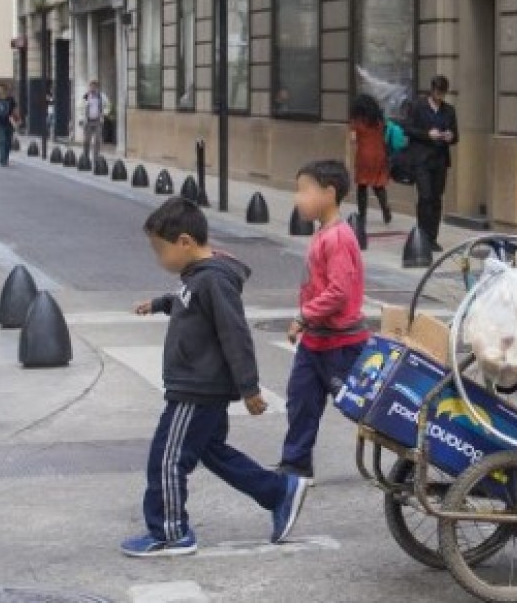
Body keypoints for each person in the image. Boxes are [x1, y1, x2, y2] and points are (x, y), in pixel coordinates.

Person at [126, 198, 308, 557]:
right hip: (197, 385)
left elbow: (234, 333)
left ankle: (170, 532)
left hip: (196, 388)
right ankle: (277, 492)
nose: (158, 259)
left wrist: (250, 388)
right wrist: (161, 303)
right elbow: (188, 301)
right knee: (213, 452)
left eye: (160, 250)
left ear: (184, 242)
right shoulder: (197, 277)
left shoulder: (214, 281)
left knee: (167, 458)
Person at [280, 160, 369, 483]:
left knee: (364, 408)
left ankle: (413, 453)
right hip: (316, 340)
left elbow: (339, 292)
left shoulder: (339, 238)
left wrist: (303, 315)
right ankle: (295, 464)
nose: (297, 198)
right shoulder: (323, 234)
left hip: (342, 345)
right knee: (301, 400)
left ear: (329, 193)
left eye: (304, 190)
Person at [402, 75, 458, 251]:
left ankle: (433, 237)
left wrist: (450, 136)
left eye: (443, 93)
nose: (440, 96)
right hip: (421, 159)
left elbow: (456, 135)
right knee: (425, 196)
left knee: (436, 198)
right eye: (437, 92)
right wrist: (427, 134)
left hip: (440, 160)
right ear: (432, 90)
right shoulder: (418, 106)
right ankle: (422, 235)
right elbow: (408, 129)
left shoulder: (449, 110)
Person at [348, 94, 392, 225]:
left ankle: (362, 215)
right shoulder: (379, 120)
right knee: (378, 184)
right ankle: (385, 209)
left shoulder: (357, 122)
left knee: (362, 185)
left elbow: (353, 139)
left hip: (364, 156)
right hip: (379, 155)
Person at [80, 79, 110, 161]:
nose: (92, 88)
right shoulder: (86, 96)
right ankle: (85, 156)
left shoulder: (102, 96)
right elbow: (81, 107)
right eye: (91, 86)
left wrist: (105, 113)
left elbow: (107, 105)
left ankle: (96, 157)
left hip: (97, 121)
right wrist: (81, 118)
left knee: (97, 140)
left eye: (94, 87)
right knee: (86, 140)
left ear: (97, 88)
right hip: (88, 121)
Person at [0, 85, 19, 167]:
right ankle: (2, 160)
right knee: (1, 141)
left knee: (8, 142)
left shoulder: (11, 99)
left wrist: (17, 121)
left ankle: (5, 158)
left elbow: (15, 110)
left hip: (10, 123)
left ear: (4, 90)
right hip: (0, 123)